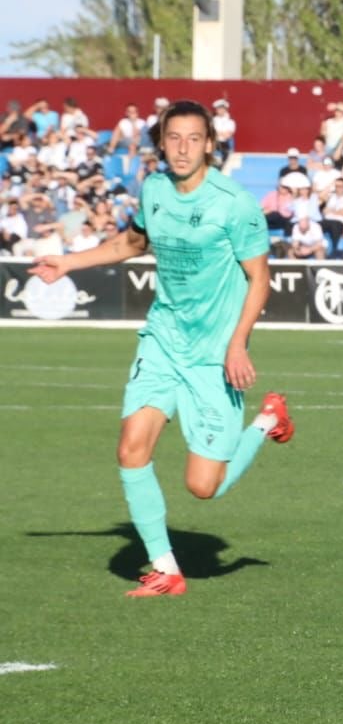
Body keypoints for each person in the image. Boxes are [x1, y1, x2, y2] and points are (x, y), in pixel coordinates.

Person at [27, 100, 294, 597]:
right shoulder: (153, 190)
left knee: (203, 487)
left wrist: (238, 345)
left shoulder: (234, 203)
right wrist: (67, 262)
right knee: (131, 450)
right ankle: (166, 568)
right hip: (163, 341)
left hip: (214, 354)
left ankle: (266, 421)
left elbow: (260, 280)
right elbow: (130, 244)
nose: (183, 148)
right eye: (174, 138)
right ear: (161, 143)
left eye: (194, 138)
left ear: (210, 144)